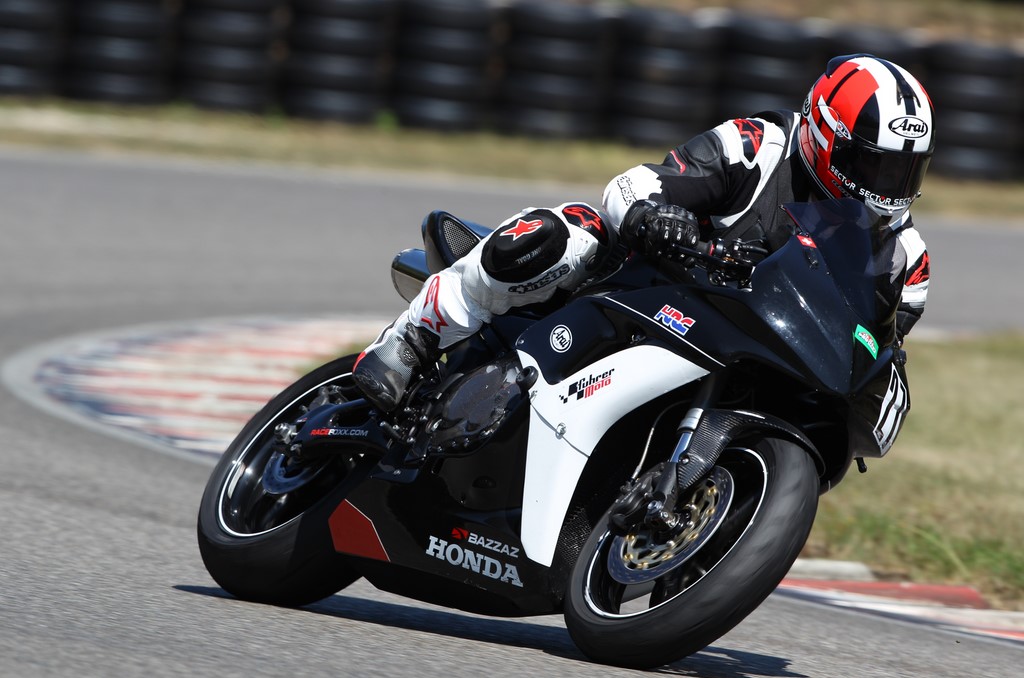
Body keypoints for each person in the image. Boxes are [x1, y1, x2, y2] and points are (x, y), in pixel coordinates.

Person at [353, 54, 934, 412]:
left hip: (747, 357)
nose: (885, 188)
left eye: (903, 172)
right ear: (825, 135)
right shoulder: (756, 148)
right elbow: (631, 186)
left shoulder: (905, 262)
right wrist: (657, 217)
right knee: (568, 232)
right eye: (873, 166)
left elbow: (875, 349)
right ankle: (411, 340)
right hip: (648, 290)